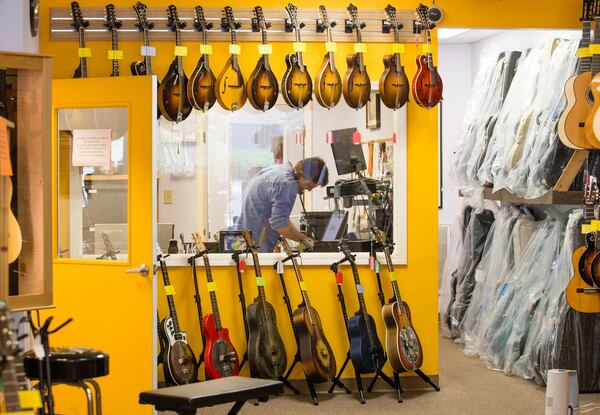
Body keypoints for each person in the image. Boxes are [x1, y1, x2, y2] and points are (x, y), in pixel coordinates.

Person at [237, 157, 329, 253]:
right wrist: (306, 240)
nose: (309, 190)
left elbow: (280, 219)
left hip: (244, 238)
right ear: (301, 174)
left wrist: (300, 236)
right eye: (309, 186)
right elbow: (280, 225)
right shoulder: (287, 183)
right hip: (255, 246)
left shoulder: (279, 170)